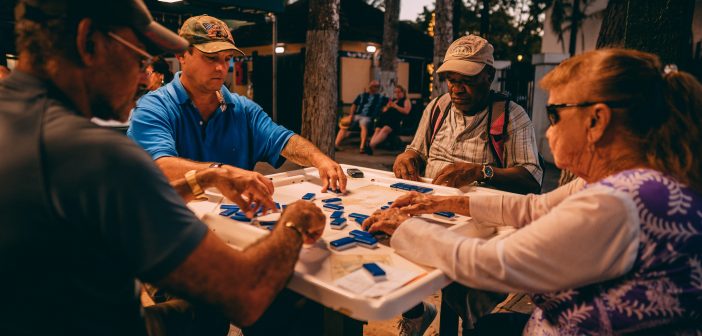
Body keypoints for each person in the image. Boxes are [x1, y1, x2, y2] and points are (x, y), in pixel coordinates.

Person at [0, 1, 327, 335]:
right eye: (140, 56)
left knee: (204, 315)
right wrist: (295, 221)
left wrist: (203, 177)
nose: (145, 76)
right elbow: (246, 293)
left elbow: (119, 207)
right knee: (287, 303)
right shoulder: (97, 154)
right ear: (88, 42)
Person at [363, 48, 702, 334]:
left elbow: (493, 263)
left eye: (555, 115)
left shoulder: (617, 203)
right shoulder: (635, 178)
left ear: (596, 121)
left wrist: (402, 226)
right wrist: (441, 201)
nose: (549, 129)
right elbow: (535, 208)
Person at [128, 15, 346, 199]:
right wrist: (222, 173)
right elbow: (160, 166)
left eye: (227, 59)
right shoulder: (154, 107)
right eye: (210, 58)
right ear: (182, 55)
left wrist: (320, 159)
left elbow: (283, 139)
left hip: (236, 219)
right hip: (176, 223)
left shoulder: (242, 108)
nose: (221, 68)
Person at [393, 35, 542, 195]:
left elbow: (531, 180)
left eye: (467, 80)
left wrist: (480, 172)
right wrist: (407, 157)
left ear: (490, 76)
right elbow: (417, 151)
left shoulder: (511, 115)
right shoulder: (438, 107)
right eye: (451, 80)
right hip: (428, 201)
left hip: (478, 211)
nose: (457, 89)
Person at [335, 79, 387, 153]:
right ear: (369, 86)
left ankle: (362, 147)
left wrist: (384, 109)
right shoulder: (362, 95)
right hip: (357, 115)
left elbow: (387, 105)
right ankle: (336, 145)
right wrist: (351, 115)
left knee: (363, 124)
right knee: (344, 124)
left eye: (376, 86)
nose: (374, 88)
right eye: (373, 86)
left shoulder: (381, 98)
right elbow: (354, 105)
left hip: (368, 117)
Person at [369, 84, 411, 153]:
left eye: (399, 92)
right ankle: (371, 146)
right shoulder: (393, 100)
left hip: (395, 121)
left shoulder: (406, 101)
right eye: (395, 92)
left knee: (385, 129)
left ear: (403, 92)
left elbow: (406, 111)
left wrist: (396, 106)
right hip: (386, 120)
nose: (397, 94)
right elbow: (383, 110)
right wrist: (387, 107)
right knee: (377, 129)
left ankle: (371, 145)